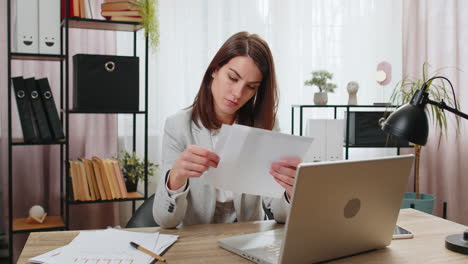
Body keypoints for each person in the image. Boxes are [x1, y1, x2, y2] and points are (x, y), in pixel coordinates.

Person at [153, 32, 301, 228]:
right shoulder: (178, 126)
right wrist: (176, 177)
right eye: (232, 78)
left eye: (251, 87)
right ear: (214, 70)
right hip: (196, 245)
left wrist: (290, 191)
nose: (238, 94)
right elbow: (165, 220)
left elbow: (279, 214)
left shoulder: (266, 125)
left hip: (247, 241)